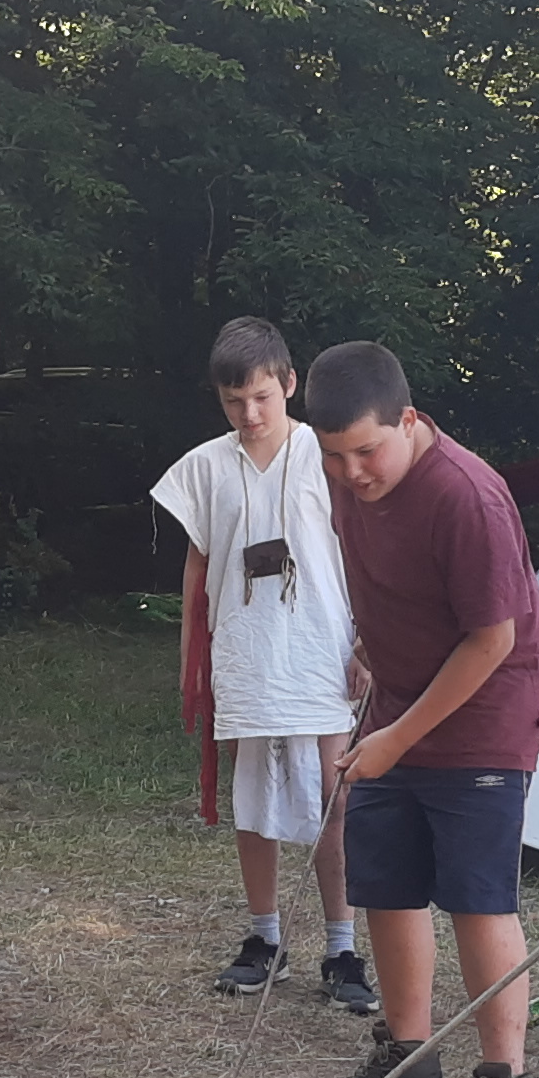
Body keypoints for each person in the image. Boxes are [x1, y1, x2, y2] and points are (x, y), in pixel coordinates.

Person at [299, 340, 539, 1078]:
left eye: (367, 451)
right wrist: (370, 648)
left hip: (485, 711)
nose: (352, 473)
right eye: (334, 456)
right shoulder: (350, 482)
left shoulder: (467, 495)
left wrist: (399, 737)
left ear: (408, 421)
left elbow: (493, 639)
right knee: (387, 880)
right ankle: (407, 1068)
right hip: (398, 701)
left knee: (477, 899)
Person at [150, 318, 370, 1013]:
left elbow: (362, 550)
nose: (249, 414)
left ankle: (342, 946)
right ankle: (265, 938)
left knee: (335, 797)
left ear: (290, 384)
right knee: (254, 802)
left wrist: (367, 642)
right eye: (234, 401)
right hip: (245, 650)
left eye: (262, 398)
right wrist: (193, 657)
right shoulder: (205, 466)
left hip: (320, 648)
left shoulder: (326, 455)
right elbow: (198, 565)